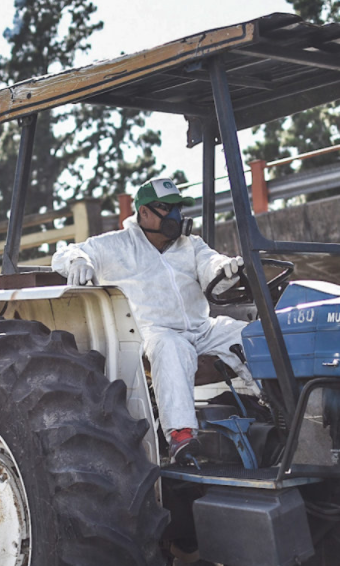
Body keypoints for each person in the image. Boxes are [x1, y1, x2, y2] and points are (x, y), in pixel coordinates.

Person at [52, 178, 256, 464]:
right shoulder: (117, 245)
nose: (176, 215)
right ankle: (181, 436)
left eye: (178, 208)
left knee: (254, 335)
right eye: (167, 208)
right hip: (154, 333)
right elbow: (68, 252)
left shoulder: (191, 245)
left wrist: (225, 268)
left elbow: (211, 266)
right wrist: (78, 261)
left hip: (203, 328)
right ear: (144, 212)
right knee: (171, 347)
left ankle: (276, 409)